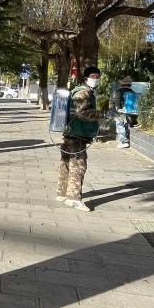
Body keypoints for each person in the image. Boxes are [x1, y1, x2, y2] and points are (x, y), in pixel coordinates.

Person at [56, 66, 106, 212]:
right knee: (78, 166)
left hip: (73, 133)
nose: (96, 79)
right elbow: (82, 113)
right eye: (93, 76)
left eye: (98, 77)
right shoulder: (83, 92)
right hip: (77, 134)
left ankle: (62, 193)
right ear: (86, 78)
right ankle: (73, 198)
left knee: (66, 164)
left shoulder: (82, 91)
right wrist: (102, 114)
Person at [114, 76, 136, 148]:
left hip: (121, 111)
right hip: (130, 111)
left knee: (120, 125)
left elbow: (117, 101)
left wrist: (117, 108)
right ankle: (127, 140)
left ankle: (123, 142)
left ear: (122, 84)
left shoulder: (119, 91)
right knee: (127, 125)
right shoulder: (132, 92)